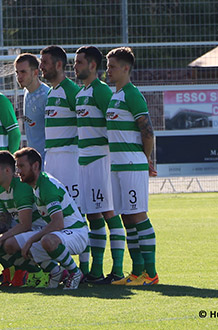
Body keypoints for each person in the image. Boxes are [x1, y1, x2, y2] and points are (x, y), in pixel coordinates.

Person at [105, 47, 159, 286]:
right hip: (118, 165)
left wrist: (145, 159)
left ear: (126, 68)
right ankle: (137, 273)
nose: (108, 70)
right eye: (108, 66)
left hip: (131, 164)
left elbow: (148, 132)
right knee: (127, 218)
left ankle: (152, 273)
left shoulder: (132, 94)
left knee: (138, 216)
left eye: (112, 66)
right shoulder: (115, 95)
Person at [73, 46, 126, 284]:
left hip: (101, 160)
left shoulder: (101, 91)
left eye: (79, 62)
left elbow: (115, 124)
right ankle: (94, 271)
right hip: (84, 161)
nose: (75, 67)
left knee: (109, 214)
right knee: (92, 215)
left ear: (92, 65)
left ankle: (117, 271)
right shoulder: (80, 93)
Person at [12, 147, 88, 290]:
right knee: (31, 247)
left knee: (46, 241)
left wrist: (31, 239)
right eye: (17, 167)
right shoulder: (38, 185)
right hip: (64, 233)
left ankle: (75, 272)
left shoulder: (47, 185)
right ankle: (56, 273)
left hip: (76, 233)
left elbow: (58, 224)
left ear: (35, 166)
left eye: (21, 166)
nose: (18, 172)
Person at [0, 150, 48, 287]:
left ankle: (44, 271)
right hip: (27, 231)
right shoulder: (1, 190)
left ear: (7, 170)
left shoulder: (20, 187)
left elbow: (25, 225)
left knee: (8, 243)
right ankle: (14, 271)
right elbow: (4, 220)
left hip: (42, 229)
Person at [39, 45, 81, 203]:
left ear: (58, 65)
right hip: (52, 156)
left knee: (73, 205)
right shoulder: (51, 92)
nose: (41, 66)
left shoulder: (71, 90)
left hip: (68, 157)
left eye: (45, 62)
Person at [14, 53, 49, 161]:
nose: (19, 77)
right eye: (17, 72)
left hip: (46, 159)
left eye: (23, 72)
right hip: (34, 160)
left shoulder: (46, 95)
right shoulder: (26, 92)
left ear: (35, 72)